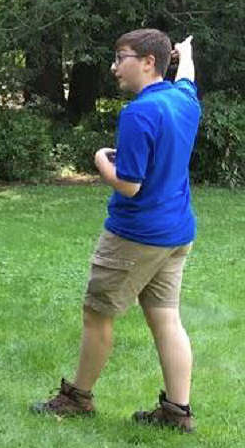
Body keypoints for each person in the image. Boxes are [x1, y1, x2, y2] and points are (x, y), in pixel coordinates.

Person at [32, 30, 200, 433]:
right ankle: (178, 412)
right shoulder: (183, 100)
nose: (113, 67)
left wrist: (99, 160)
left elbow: (129, 183)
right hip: (177, 234)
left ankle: (77, 398)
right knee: (166, 318)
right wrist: (187, 53)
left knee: (96, 314)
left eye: (120, 57)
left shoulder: (139, 113)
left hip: (134, 236)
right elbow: (188, 77)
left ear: (147, 62)